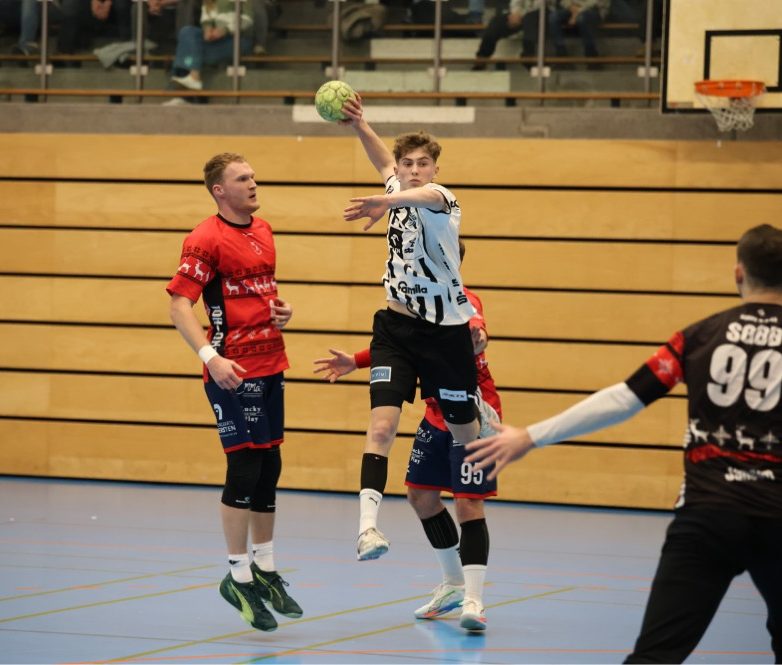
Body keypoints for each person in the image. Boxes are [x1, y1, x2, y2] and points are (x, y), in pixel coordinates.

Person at [466, 224, 782, 663]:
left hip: (709, 513)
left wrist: (531, 436)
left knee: (654, 656)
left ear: (738, 273)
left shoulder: (701, 336)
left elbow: (626, 398)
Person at [337, 94, 495, 576]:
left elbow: (423, 196)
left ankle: (477, 418)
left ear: (434, 169)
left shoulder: (441, 199)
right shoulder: (397, 180)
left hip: (444, 332)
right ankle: (367, 529)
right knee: (381, 427)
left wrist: (386, 200)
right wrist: (360, 124)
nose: (413, 170)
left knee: (465, 436)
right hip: (396, 327)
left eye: (422, 163)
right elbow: (383, 161)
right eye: (408, 164)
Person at [314, 241, 501, 632]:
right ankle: (452, 584)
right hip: (435, 416)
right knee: (420, 495)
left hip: (471, 414)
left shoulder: (463, 300)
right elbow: (405, 345)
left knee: (468, 503)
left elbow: (475, 329)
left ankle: (474, 600)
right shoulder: (412, 300)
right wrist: (356, 360)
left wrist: (476, 337)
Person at [166, 152, 303, 632]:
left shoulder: (263, 230)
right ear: (219, 190)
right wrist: (211, 358)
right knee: (244, 468)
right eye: (242, 178)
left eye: (253, 176)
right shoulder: (205, 238)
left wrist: (280, 311)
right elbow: (180, 306)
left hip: (271, 362)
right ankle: (237, 575)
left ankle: (265, 568)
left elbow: (258, 293)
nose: (253, 183)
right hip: (232, 372)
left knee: (269, 467)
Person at [169, 0, 254, 92]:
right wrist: (207, 30)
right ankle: (193, 76)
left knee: (191, 51)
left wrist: (225, 30)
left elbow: (247, 19)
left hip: (238, 40)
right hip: (216, 40)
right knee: (187, 32)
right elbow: (207, 20)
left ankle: (184, 81)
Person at [472, 0, 555, 71]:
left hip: (544, 13)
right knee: (496, 22)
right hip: (522, 13)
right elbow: (516, 2)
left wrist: (521, 15)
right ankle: (482, 57)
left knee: (530, 19)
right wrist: (515, 13)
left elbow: (542, 4)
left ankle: (528, 58)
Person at [547, 0, 609, 65]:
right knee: (553, 17)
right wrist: (570, 6)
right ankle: (561, 54)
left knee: (582, 18)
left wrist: (577, 12)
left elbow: (596, 2)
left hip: (593, 9)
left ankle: (591, 55)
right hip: (572, 8)